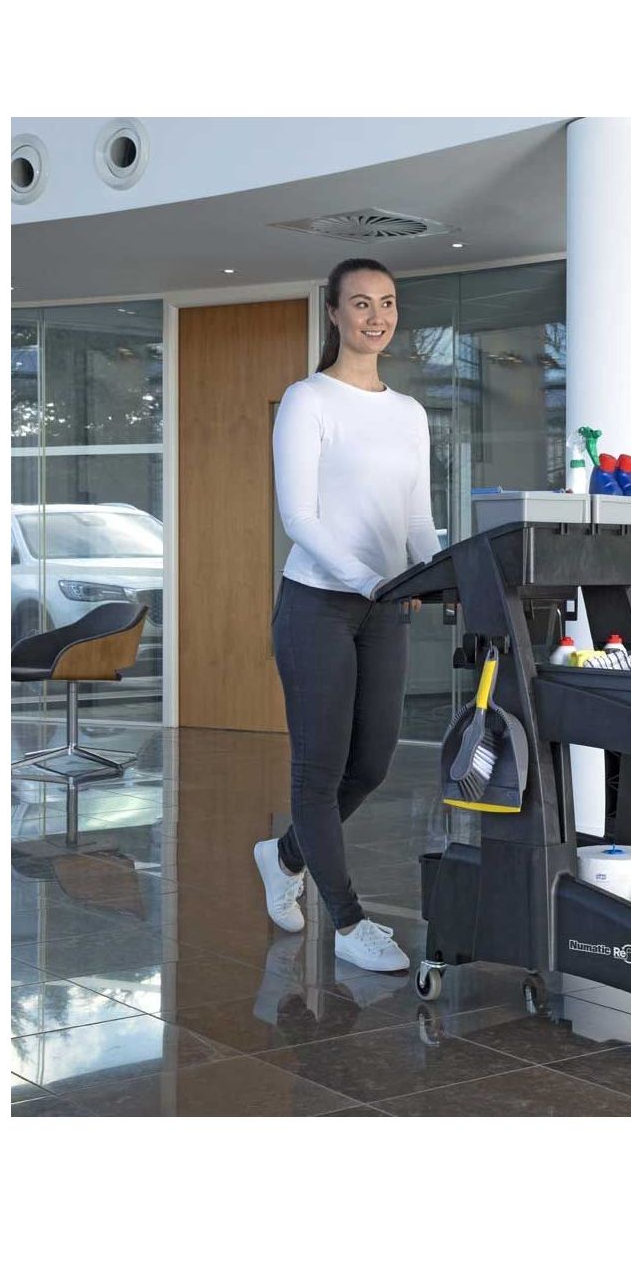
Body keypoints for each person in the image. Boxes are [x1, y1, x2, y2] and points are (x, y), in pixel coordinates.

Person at [253, 257, 440, 972]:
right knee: (319, 770)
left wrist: (439, 573)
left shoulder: (410, 413)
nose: (376, 316)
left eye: (386, 303)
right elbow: (299, 517)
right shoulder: (309, 401)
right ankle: (350, 922)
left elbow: (417, 519)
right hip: (318, 607)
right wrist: (369, 581)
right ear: (334, 313)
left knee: (372, 761)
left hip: (381, 607)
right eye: (360, 303)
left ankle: (284, 855)